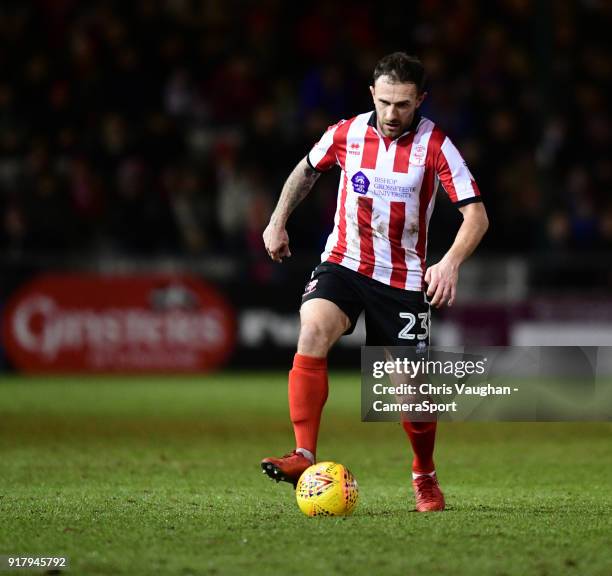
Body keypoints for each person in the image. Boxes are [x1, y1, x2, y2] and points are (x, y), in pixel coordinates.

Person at [261, 52, 489, 512]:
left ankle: (424, 474)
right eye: (384, 102)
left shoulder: (436, 146)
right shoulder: (345, 133)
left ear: (420, 99)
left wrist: (448, 264)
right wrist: (277, 220)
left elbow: (476, 216)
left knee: (412, 394)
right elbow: (306, 170)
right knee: (313, 328)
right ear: (372, 95)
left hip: (402, 282)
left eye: (403, 104)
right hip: (344, 264)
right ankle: (303, 454)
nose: (391, 114)